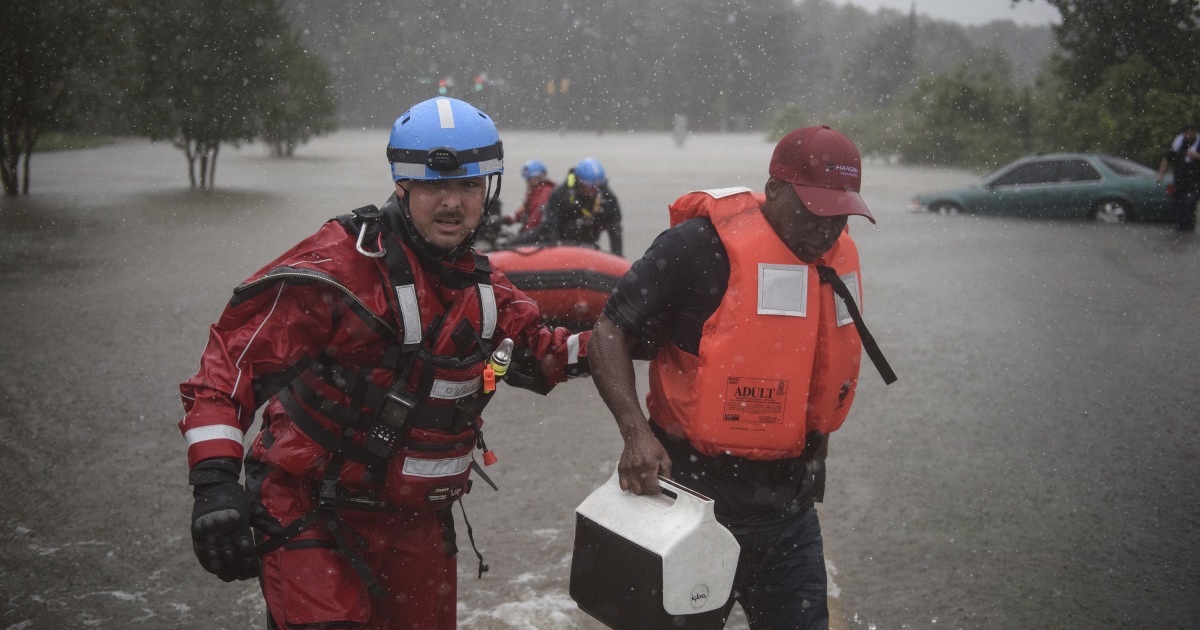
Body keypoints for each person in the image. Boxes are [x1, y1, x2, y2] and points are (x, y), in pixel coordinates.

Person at [178, 96, 591, 630]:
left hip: (417, 523)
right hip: (313, 512)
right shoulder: (337, 272)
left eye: (469, 186)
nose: (453, 203)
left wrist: (633, 334)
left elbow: (543, 359)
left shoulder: (487, 293)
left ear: (488, 189)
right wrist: (214, 484)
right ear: (402, 184)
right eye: (435, 185)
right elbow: (226, 371)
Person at [588, 126, 896, 630]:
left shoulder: (833, 264)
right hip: (690, 506)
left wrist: (816, 444)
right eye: (815, 210)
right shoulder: (695, 247)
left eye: (840, 215)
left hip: (789, 514)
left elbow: (814, 373)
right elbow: (608, 330)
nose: (828, 229)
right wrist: (634, 432)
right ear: (773, 190)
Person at [509, 157, 623, 255]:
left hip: (588, 244)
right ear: (579, 182)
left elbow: (615, 229)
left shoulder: (607, 198)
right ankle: (507, 247)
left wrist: (617, 255)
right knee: (533, 235)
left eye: (596, 187)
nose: (593, 191)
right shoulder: (561, 194)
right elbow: (550, 225)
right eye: (589, 187)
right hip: (560, 240)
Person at [1156, 124, 1200, 233]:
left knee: (1190, 203)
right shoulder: (1178, 145)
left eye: (1191, 133)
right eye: (1187, 133)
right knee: (1178, 203)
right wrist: (1160, 175)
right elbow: (1166, 159)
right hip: (1180, 180)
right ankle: (1180, 228)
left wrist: (1196, 156)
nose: (1189, 135)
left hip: (1195, 180)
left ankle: (1189, 228)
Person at [507, 159, 555, 233]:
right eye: (527, 179)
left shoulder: (545, 192)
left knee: (510, 243)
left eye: (530, 179)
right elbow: (523, 211)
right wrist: (508, 219)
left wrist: (526, 231)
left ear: (540, 177)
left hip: (539, 233)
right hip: (534, 231)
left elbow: (536, 217)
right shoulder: (534, 193)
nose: (528, 182)